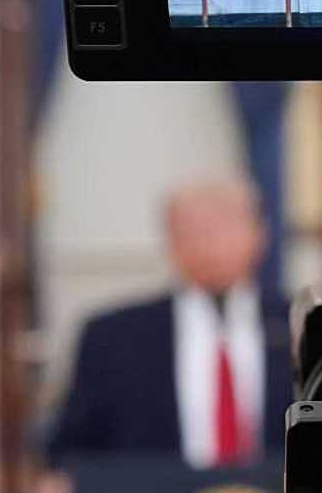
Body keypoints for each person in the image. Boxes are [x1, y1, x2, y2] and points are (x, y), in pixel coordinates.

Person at [44, 179, 290, 473]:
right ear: (170, 241)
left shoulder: (305, 328)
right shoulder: (112, 338)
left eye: (226, 225)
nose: (212, 242)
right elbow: (68, 453)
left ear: (260, 234)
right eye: (196, 230)